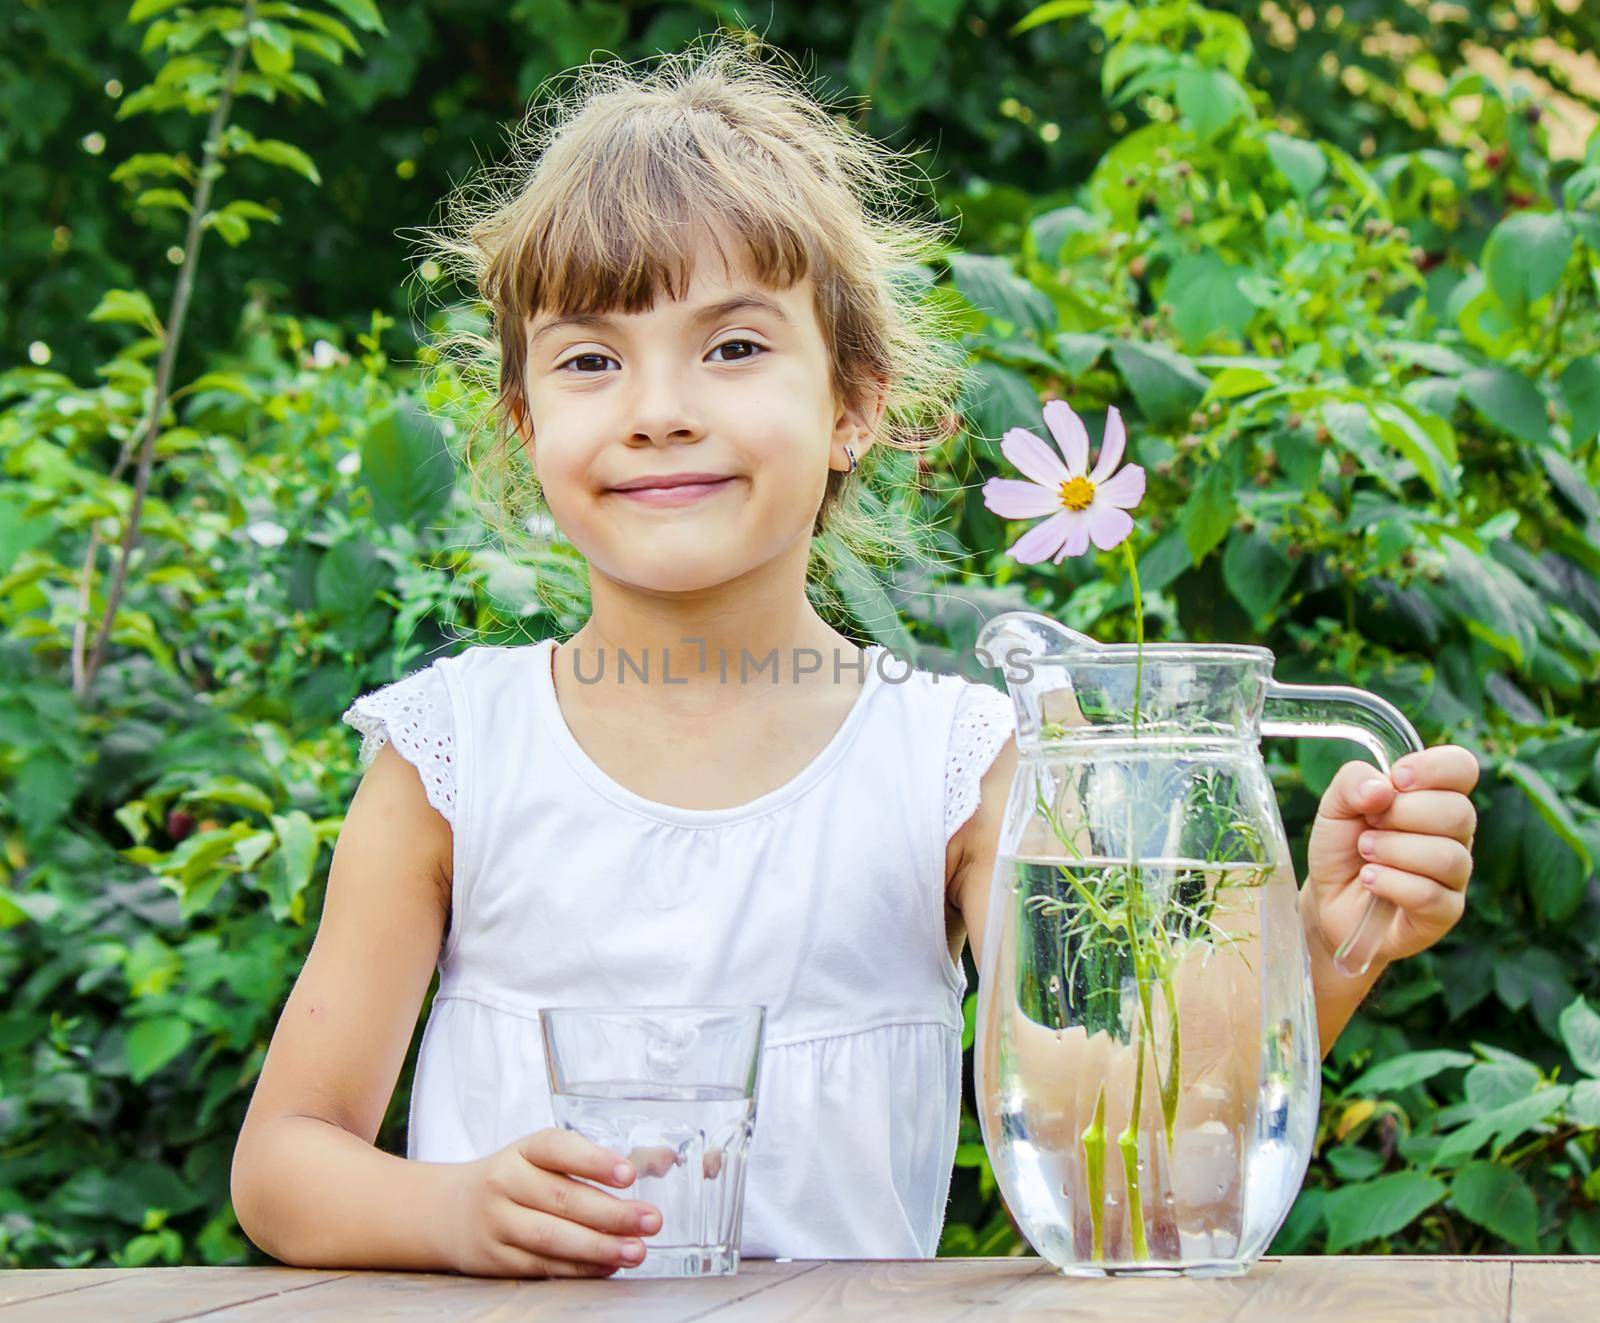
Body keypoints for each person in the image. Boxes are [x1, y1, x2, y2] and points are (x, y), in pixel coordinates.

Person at [229, 35, 1480, 1279]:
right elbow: (286, 1159)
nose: (657, 406)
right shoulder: (454, 754)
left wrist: (1318, 954)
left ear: (854, 404)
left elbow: (1144, 1143)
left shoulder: (951, 767)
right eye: (591, 360)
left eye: (732, 347)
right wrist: (450, 1214)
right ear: (525, 423)